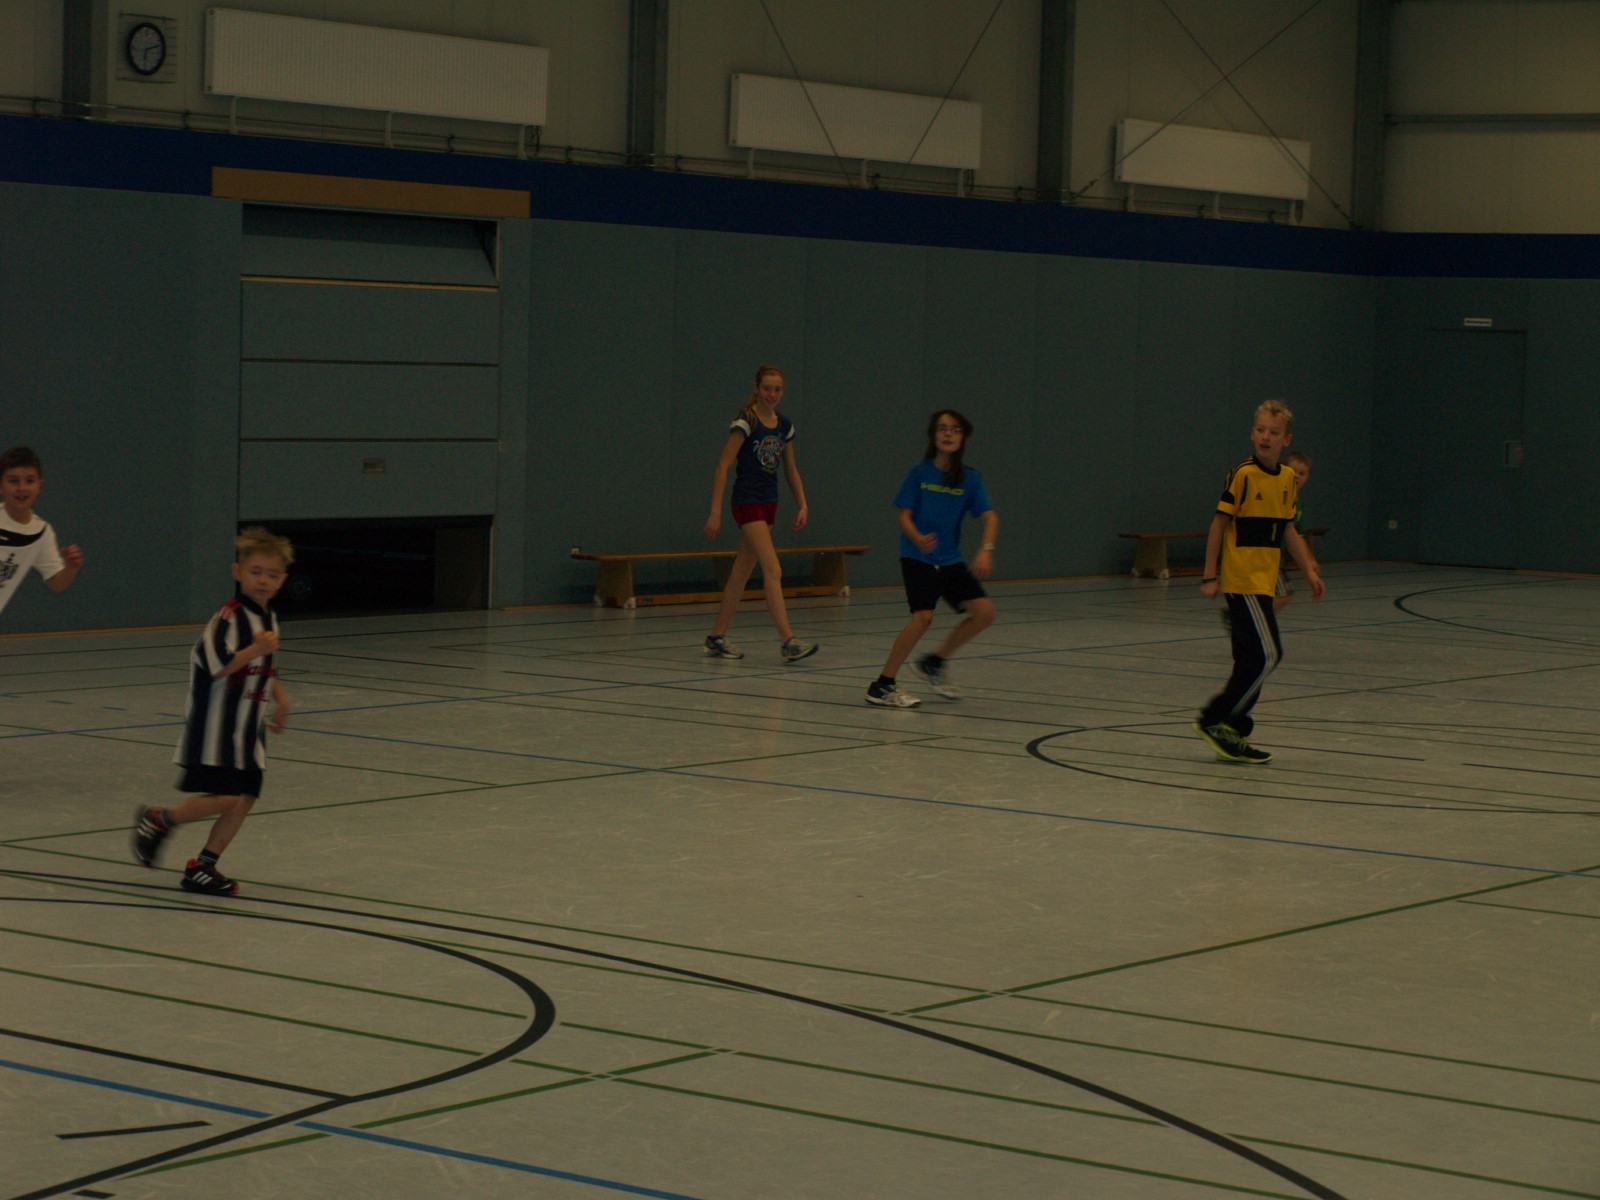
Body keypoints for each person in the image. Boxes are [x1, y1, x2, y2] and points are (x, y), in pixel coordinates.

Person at [132, 527, 293, 895]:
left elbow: (265, 667)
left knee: (245, 799)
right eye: (255, 571)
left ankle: (203, 866)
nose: (263, 580)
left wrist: (282, 699)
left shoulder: (268, 619)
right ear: (238, 572)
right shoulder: (229, 617)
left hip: (248, 730)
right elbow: (217, 664)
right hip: (216, 728)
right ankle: (160, 819)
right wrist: (254, 650)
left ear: (282, 580)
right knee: (228, 797)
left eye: (272, 574)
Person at [1195, 401, 1323, 764]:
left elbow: (1288, 530)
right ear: (1253, 434)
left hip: (1265, 583)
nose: (1266, 437)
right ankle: (1216, 719)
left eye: (1274, 432)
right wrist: (1210, 575)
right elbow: (1218, 525)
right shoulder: (1243, 475)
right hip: (1242, 581)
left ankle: (1231, 729)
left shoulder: (1286, 479)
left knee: (1250, 659)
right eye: (1261, 430)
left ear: (1286, 440)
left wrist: (1309, 569)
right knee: (1269, 654)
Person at [866, 409, 998, 708]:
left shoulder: (970, 479)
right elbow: (904, 515)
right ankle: (882, 685)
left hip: (949, 559)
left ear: (964, 438)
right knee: (923, 617)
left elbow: (990, 517)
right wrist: (917, 538)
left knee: (984, 613)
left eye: (955, 429)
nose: (948, 433)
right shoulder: (920, 472)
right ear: (933, 435)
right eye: (942, 428)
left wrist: (985, 550)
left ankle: (934, 662)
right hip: (918, 556)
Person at [702, 365, 817, 663]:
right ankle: (788, 641)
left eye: (777, 389)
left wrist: (802, 504)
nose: (772, 394)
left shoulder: (784, 425)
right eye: (767, 388)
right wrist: (715, 512)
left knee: (741, 571)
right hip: (747, 501)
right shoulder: (746, 421)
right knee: (773, 568)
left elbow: (791, 470)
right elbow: (723, 466)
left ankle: (716, 637)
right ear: (756, 387)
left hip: (769, 502)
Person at [0, 446, 84, 618]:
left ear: (40, 486)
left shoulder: (41, 532)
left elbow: (57, 583)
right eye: (13, 481)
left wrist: (70, 568)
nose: (22, 488)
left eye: (29, 481)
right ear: (1, 486)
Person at [1273, 450, 1314, 616]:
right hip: (1266, 558)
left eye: (1302, 473)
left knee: (1283, 595)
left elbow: (1297, 535)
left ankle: (1248, 620)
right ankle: (1250, 622)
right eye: (1293, 471)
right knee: (1282, 595)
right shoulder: (1278, 496)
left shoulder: (1298, 504)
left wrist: (1309, 560)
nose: (1297, 475)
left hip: (1279, 560)